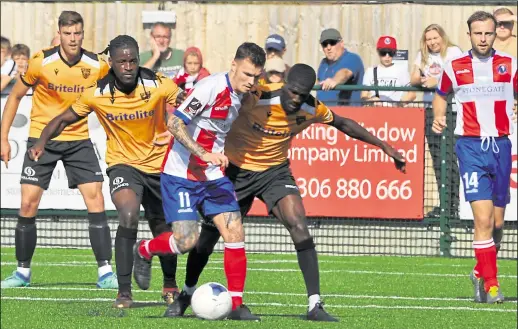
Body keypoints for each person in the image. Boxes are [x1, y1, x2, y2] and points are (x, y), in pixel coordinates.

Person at [165, 64, 407, 322]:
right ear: (284, 84)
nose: (296, 99)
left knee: (299, 225)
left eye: (302, 95)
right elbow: (218, 106)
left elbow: (344, 123)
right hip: (235, 171)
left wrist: (384, 146)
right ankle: (186, 294)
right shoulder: (256, 97)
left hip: (274, 173)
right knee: (208, 239)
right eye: (292, 92)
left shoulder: (311, 108)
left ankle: (315, 304)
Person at [26, 35, 185, 308]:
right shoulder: (96, 92)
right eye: (121, 61)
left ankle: (169, 283)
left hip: (160, 167)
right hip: (122, 164)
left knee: (163, 227)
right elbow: (64, 118)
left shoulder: (158, 84)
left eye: (133, 60)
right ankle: (124, 292)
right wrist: (42, 141)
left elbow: (191, 107)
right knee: (128, 215)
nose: (128, 66)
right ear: (110, 62)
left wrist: (177, 128)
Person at [132, 42, 266, 321]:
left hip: (212, 176)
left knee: (235, 232)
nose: (251, 82)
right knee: (186, 241)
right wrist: (205, 153)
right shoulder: (210, 87)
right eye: (246, 75)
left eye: (256, 76)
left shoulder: (246, 92)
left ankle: (237, 305)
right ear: (233, 65)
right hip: (181, 174)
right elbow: (174, 123)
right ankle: (145, 250)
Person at [0, 11, 117, 289]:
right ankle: (22, 273)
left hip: (79, 140)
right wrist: (3, 138)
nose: (73, 39)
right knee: (28, 203)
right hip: (41, 139)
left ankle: (105, 272)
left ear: (83, 33)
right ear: (60, 34)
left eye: (77, 33)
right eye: (68, 33)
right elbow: (15, 96)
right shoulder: (41, 61)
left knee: (96, 200)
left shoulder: (97, 64)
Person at [432, 11, 516, 304]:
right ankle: (492, 286)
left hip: (502, 147)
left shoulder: (510, 65)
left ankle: (480, 270)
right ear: (469, 34)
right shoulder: (454, 66)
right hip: (470, 147)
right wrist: (439, 117)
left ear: (496, 34)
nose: (483, 38)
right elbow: (441, 94)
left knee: (497, 226)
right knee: (481, 220)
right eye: (477, 33)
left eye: (488, 33)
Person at [410, 24, 463, 218]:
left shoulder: (453, 52)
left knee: (450, 159)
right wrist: (418, 76)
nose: (432, 42)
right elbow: (414, 77)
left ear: (442, 36)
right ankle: (444, 205)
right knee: (437, 160)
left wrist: (437, 80)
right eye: (428, 39)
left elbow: (459, 75)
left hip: (450, 111)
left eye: (435, 38)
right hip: (430, 112)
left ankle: (454, 206)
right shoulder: (422, 55)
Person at [361, 36, 416, 106]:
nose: (387, 56)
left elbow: (412, 94)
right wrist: (371, 101)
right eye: (383, 52)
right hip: (375, 111)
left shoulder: (401, 71)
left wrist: (399, 105)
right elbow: (363, 95)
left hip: (394, 113)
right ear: (378, 52)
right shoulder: (370, 71)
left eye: (390, 53)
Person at [317, 28, 364, 106]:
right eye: (325, 44)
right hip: (324, 114)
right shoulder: (323, 63)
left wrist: (334, 80)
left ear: (341, 43)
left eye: (332, 43)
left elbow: (345, 72)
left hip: (347, 114)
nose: (328, 48)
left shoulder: (352, 58)